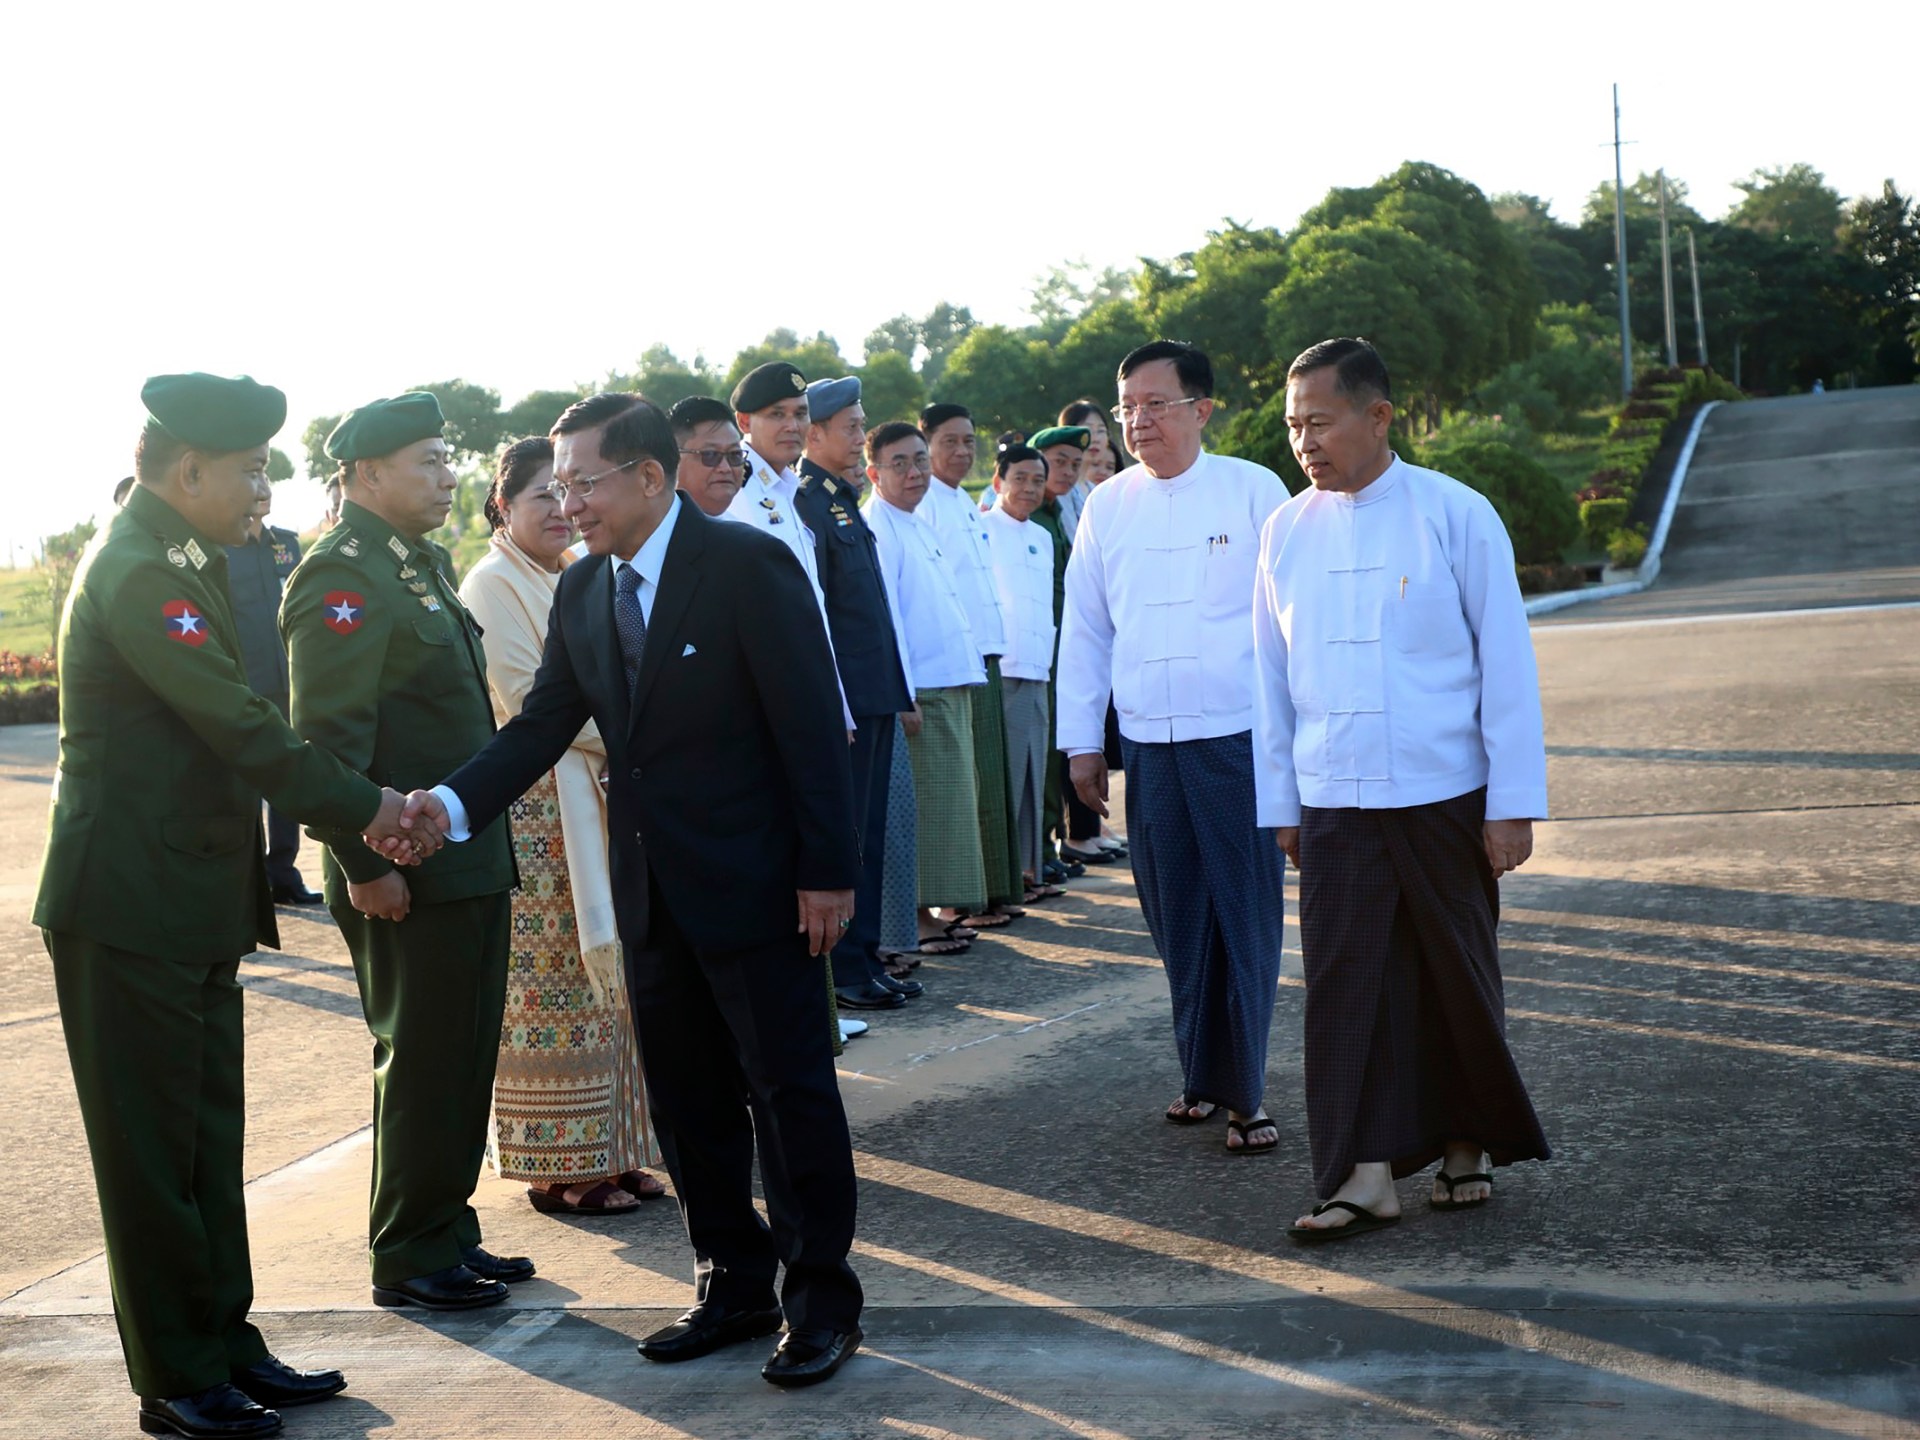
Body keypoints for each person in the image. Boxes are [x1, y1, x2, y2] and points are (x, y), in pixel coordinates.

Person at [417, 392, 866, 1387]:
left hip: (761, 889)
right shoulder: (584, 592)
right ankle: (732, 1282)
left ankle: (820, 1300)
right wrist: (447, 809)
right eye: (559, 484)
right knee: (689, 1103)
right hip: (651, 894)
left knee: (789, 1098)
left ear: (650, 479)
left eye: (583, 481)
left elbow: (810, 728)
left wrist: (828, 873)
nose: (567, 500)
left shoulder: (749, 567)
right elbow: (539, 730)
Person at [36, 372, 437, 1440]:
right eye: (253, 469)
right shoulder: (137, 573)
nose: (264, 489)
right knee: (153, 1156)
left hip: (186, 894)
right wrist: (371, 807)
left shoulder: (183, 559)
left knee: (206, 1140)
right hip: (127, 903)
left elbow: (250, 718)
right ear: (188, 470)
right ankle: (176, 1374)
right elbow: (243, 728)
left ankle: (228, 1341)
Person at [1252, 338, 1551, 1242]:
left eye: (1321, 421)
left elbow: (1507, 664)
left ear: (1378, 417)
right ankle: (1361, 1176)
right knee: (1345, 990)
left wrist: (1512, 800)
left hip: (1443, 792)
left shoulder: (1455, 514)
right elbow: (1268, 677)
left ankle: (1468, 1143)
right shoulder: (1285, 531)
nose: (1305, 441)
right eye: (1294, 425)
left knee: (1451, 974)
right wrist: (1282, 804)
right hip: (1334, 797)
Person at [283, 392, 528, 1312]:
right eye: (428, 461)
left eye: (446, 459)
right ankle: (408, 1250)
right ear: (366, 474)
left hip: (464, 860)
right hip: (400, 872)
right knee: (421, 1055)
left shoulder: (416, 566)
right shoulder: (343, 577)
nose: (446, 475)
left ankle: (448, 1230)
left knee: (461, 1056)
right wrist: (361, 860)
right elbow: (323, 743)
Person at [1057, 340, 1291, 1156]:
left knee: (1245, 911)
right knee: (1175, 914)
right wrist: (1082, 745)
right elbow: (1084, 630)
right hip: (1149, 742)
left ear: (1202, 408)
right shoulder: (1107, 506)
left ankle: (1247, 1093)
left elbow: (1288, 622)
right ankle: (1202, 1072)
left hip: (1236, 738)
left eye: (1156, 404)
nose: (1137, 421)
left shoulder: (1254, 490)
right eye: (1127, 407)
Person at [460, 437, 664, 1216]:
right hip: (540, 810)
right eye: (540, 494)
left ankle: (620, 1149)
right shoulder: (491, 585)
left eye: (570, 490)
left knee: (613, 979)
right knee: (551, 986)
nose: (559, 508)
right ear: (503, 507)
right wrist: (636, 731)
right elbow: (525, 697)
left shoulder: (582, 577)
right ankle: (559, 1165)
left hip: (603, 791)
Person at [792, 377, 923, 1010]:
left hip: (872, 693)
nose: (858, 434)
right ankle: (845, 970)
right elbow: (821, 615)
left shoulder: (841, 499)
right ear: (812, 434)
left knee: (868, 833)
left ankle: (865, 959)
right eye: (849, 426)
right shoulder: (808, 504)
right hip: (847, 698)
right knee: (848, 837)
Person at [862, 421, 990, 944]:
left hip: (949, 681)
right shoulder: (878, 525)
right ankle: (914, 920)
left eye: (919, 460)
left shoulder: (915, 521)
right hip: (920, 691)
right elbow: (886, 618)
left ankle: (930, 913)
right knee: (926, 814)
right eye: (900, 463)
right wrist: (903, 691)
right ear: (873, 472)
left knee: (949, 810)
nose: (915, 472)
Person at [920, 401, 1024, 933]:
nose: (962, 452)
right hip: (950, 660)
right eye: (950, 442)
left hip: (982, 651)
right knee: (964, 786)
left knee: (988, 780)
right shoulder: (923, 502)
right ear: (926, 443)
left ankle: (990, 892)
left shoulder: (962, 500)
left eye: (969, 441)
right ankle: (961, 900)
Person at [224, 490, 316, 904]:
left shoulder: (287, 543)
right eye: (251, 478)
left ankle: (283, 872)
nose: (260, 489)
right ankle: (247, 878)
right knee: (245, 783)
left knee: (286, 775)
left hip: (288, 677)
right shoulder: (222, 548)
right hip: (245, 681)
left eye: (266, 478)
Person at [983, 443, 1057, 894]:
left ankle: (1030, 871)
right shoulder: (982, 527)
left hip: (1038, 664)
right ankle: (1000, 878)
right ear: (998, 483)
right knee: (1006, 776)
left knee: (1035, 771)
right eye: (1020, 478)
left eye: (1036, 480)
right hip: (1003, 665)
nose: (1028, 488)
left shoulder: (1043, 535)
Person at [1028, 425, 1090, 886]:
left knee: (1054, 754)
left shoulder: (1055, 515)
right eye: (1058, 461)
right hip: (1034, 652)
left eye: (1074, 463)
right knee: (1041, 760)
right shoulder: (1026, 518)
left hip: (1057, 648)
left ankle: (1047, 846)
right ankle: (1038, 851)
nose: (1066, 471)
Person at [667, 396, 747, 517]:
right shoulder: (647, 531)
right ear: (673, 458)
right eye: (710, 454)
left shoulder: (740, 530)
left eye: (734, 455)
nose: (725, 468)